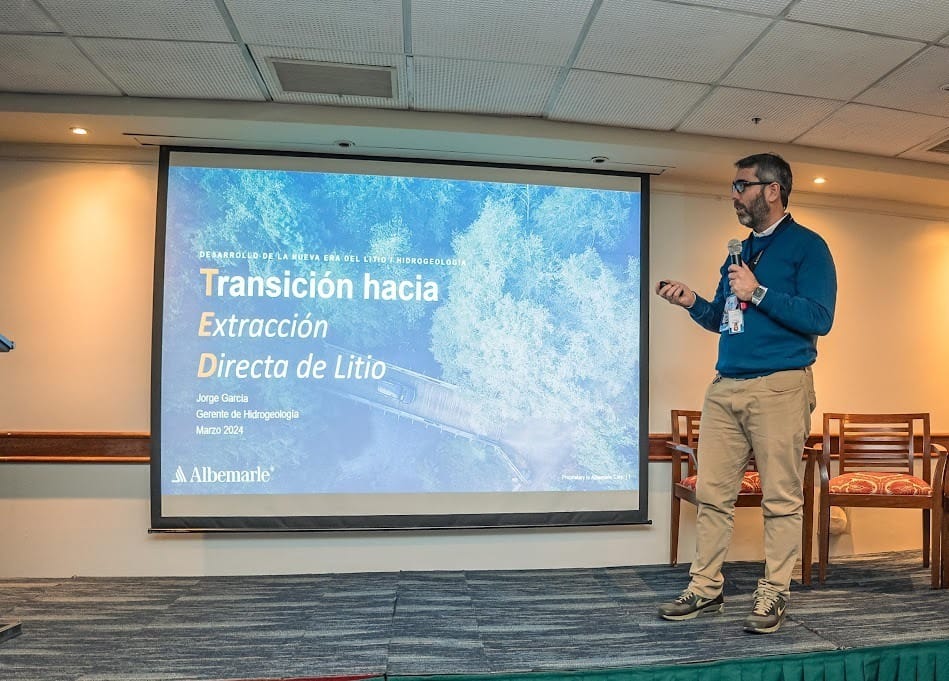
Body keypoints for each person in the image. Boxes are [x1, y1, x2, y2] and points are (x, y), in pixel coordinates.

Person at [655, 152, 836, 634]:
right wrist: (693, 302)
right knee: (712, 496)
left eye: (742, 186)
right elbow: (724, 318)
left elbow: (820, 318)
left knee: (780, 498)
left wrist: (758, 292)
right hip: (725, 387)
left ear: (772, 190)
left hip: (780, 385)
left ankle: (774, 592)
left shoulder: (808, 247)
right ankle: (706, 588)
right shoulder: (738, 254)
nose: (734, 194)